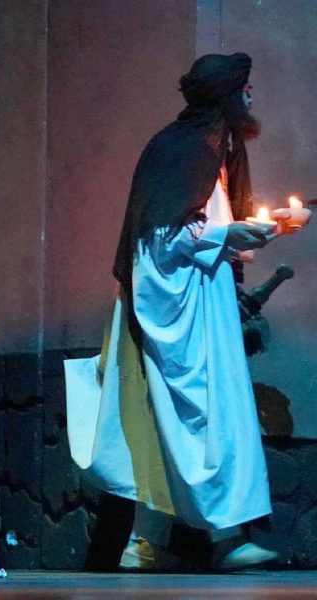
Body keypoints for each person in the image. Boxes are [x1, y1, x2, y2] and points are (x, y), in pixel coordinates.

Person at [79, 53, 281, 571]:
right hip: (177, 306)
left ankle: (154, 543)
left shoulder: (213, 149)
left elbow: (200, 225)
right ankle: (211, 539)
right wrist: (224, 235)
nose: (251, 96)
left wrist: (242, 232)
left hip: (203, 298)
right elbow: (158, 239)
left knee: (183, 417)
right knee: (187, 415)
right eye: (244, 88)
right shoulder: (183, 149)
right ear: (225, 96)